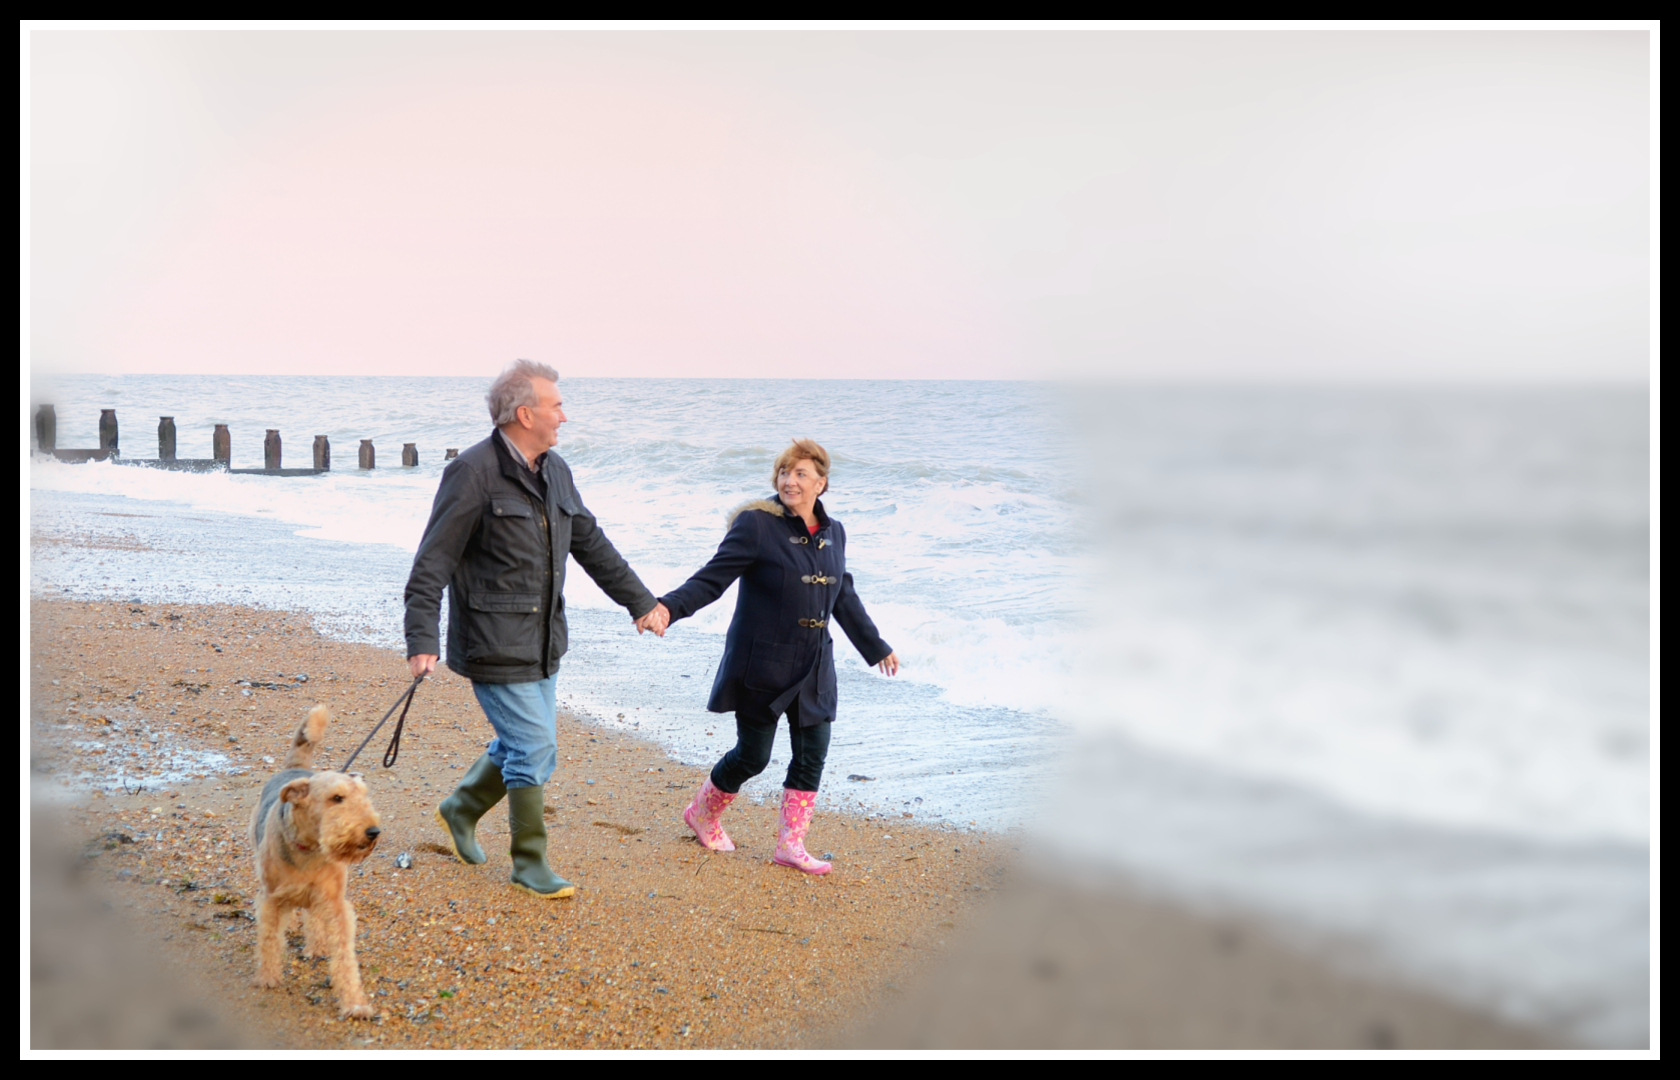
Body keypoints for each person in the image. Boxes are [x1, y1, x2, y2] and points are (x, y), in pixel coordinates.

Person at [403, 360, 665, 898]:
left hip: (544, 641)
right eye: (556, 405)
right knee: (533, 747)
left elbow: (590, 542)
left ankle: (460, 809)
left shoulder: (555, 469)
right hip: (491, 642)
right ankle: (529, 862)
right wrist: (421, 638)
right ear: (525, 413)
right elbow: (432, 561)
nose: (564, 416)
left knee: (525, 744)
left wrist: (641, 602)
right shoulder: (472, 473)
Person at [645, 439, 899, 875]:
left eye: (801, 473)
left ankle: (791, 844)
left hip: (815, 664)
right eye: (784, 472)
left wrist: (876, 646)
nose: (789, 480)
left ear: (821, 483)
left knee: (813, 751)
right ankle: (702, 813)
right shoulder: (757, 525)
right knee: (753, 755)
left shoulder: (834, 533)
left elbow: (843, 594)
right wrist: (668, 607)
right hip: (763, 661)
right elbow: (713, 578)